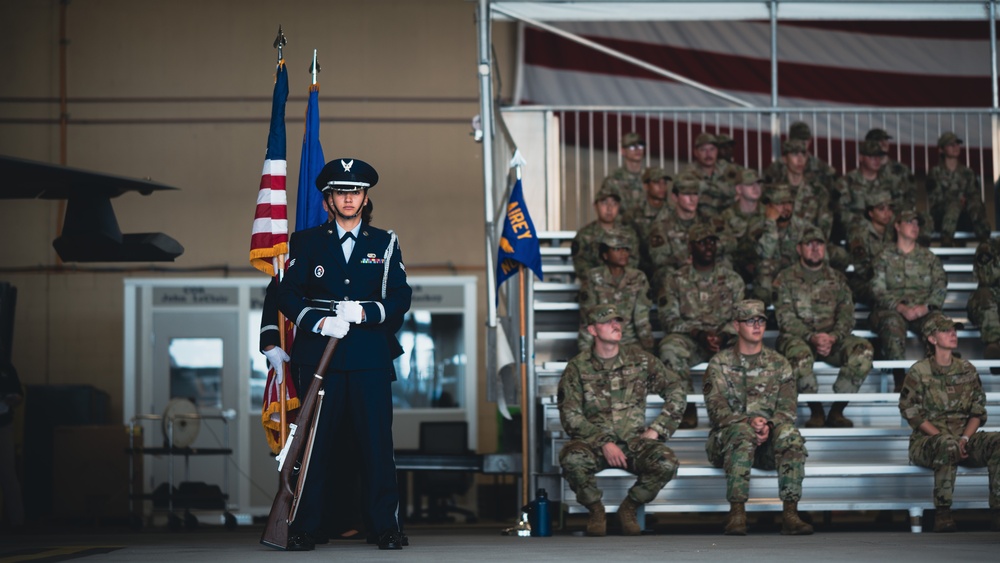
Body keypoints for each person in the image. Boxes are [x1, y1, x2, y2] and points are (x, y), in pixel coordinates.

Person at [278, 157, 411, 551]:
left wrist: (367, 311)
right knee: (316, 446)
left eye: (354, 191)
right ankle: (305, 526)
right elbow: (285, 293)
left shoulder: (385, 242)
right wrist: (317, 322)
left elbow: (400, 296)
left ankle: (384, 527)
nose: (348, 198)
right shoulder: (305, 241)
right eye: (340, 191)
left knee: (375, 447)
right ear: (328, 200)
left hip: (369, 358)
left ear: (365, 197)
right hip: (322, 359)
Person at [558, 304, 686, 537]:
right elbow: (570, 415)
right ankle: (596, 510)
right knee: (572, 459)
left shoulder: (640, 360)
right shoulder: (577, 367)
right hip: (593, 445)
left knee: (667, 462)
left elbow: (675, 388)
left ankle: (629, 508)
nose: (615, 325)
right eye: (607, 322)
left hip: (633, 442)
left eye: (617, 321)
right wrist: (603, 442)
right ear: (592, 330)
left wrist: (657, 429)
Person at [703, 299, 813, 536]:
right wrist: (747, 422)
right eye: (750, 320)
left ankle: (791, 513)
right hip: (726, 443)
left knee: (790, 435)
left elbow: (788, 408)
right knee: (742, 433)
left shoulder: (779, 363)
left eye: (761, 320)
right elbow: (716, 408)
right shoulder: (719, 364)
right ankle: (737, 513)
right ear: (736, 325)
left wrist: (769, 425)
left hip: (766, 444)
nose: (756, 325)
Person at [898, 312, 1000, 533]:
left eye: (954, 330)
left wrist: (965, 438)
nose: (953, 334)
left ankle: (998, 511)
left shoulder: (967, 369)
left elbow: (977, 410)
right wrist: (944, 438)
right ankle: (943, 513)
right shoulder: (920, 371)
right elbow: (909, 410)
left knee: (998, 441)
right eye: (945, 331)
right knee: (947, 444)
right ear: (932, 339)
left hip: (965, 439)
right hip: (928, 441)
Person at [773, 226, 874, 428]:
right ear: (799, 248)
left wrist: (833, 337)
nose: (815, 248)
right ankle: (816, 410)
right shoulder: (785, 279)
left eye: (819, 244)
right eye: (809, 244)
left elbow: (847, 315)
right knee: (799, 356)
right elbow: (785, 318)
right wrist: (812, 337)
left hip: (833, 340)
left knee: (863, 351)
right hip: (799, 338)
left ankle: (837, 411)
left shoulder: (837, 278)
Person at [657, 223, 745, 429]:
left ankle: (736, 411)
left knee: (748, 346)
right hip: (692, 339)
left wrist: (723, 335)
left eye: (712, 242)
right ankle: (685, 407)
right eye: (702, 242)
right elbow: (668, 318)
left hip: (724, 340)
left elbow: (741, 317)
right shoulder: (675, 280)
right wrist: (697, 333)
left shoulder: (732, 280)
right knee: (670, 348)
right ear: (690, 247)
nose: (708, 247)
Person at [870, 209, 947, 390]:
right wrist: (901, 308)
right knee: (891, 323)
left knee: (940, 324)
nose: (915, 227)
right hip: (892, 310)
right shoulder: (884, 256)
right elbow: (876, 288)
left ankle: (940, 378)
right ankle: (900, 379)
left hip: (923, 310)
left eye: (917, 223)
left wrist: (925, 308)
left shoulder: (929, 257)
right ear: (897, 226)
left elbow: (940, 286)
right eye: (909, 222)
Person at [577, 228, 654, 353]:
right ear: (605, 254)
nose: (623, 253)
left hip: (630, 342)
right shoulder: (593, 277)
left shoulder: (638, 277)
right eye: (617, 249)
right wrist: (586, 353)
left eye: (626, 249)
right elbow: (588, 319)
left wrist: (649, 350)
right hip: (601, 342)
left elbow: (642, 320)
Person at [926, 132, 992, 246]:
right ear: (941, 149)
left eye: (957, 144)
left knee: (976, 205)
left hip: (965, 215)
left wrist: (965, 202)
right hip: (941, 216)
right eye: (951, 145)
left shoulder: (968, 172)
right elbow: (935, 199)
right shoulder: (935, 172)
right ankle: (946, 242)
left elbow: (974, 194)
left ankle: (986, 241)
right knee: (954, 205)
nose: (956, 147)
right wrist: (957, 200)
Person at [571, 182, 639, 279]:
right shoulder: (584, 235)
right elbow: (581, 266)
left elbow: (633, 262)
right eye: (604, 203)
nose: (609, 208)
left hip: (625, 286)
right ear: (595, 206)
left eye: (614, 203)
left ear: (619, 207)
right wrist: (604, 280)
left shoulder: (628, 234)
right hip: (595, 286)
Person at [846, 189, 895, 307]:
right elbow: (861, 268)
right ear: (871, 213)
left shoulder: (893, 232)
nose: (887, 213)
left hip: (888, 281)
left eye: (889, 208)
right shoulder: (859, 234)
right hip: (864, 282)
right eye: (881, 209)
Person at [718, 168, 765, 285]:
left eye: (758, 183)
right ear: (738, 189)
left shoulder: (769, 213)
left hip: (761, 264)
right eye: (750, 184)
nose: (755, 188)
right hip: (736, 264)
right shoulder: (726, 216)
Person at [680, 132, 742, 218]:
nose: (708, 154)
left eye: (712, 149)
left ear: (717, 151)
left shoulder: (728, 168)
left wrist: (708, 190)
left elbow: (743, 190)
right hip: (699, 223)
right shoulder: (689, 172)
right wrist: (727, 198)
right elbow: (696, 202)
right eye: (703, 150)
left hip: (727, 220)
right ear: (696, 152)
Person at [967, 237, 1000, 360]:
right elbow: (986, 279)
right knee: (984, 294)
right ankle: (993, 346)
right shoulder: (989, 247)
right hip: (989, 300)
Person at [602, 132, 647, 213]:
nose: (638, 150)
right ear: (623, 151)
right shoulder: (613, 180)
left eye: (640, 146)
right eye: (632, 147)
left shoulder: (651, 178)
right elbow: (607, 211)